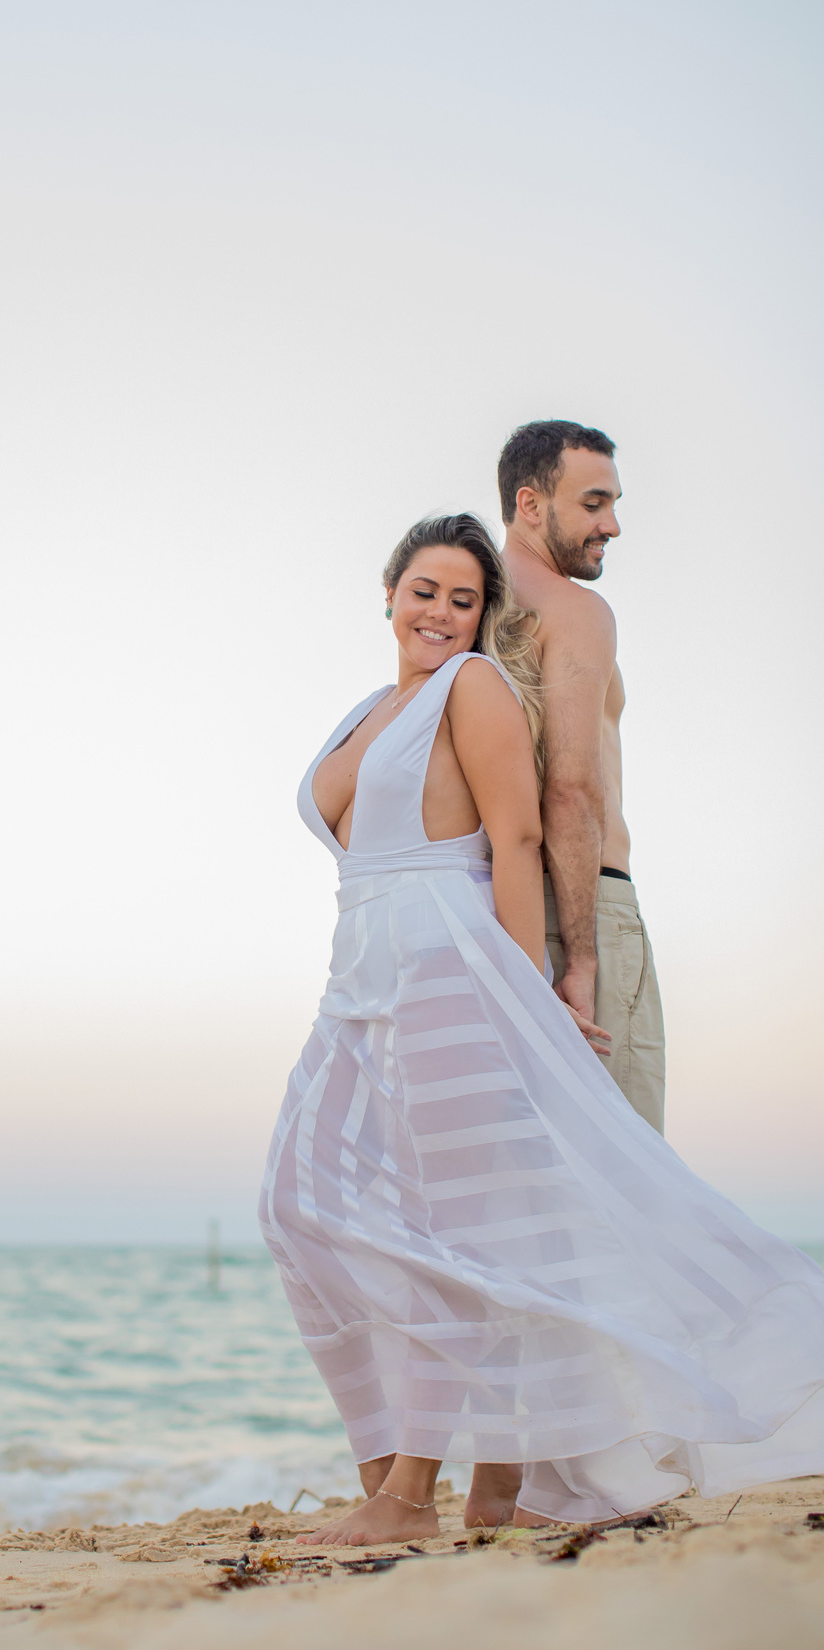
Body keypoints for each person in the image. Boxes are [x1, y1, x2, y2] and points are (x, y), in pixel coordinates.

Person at [259, 512, 824, 1546]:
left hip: (447, 974)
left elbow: (515, 841)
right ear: (388, 594)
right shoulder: (365, 711)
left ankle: (407, 1500)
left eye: (463, 600)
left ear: (482, 619)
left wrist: (530, 996)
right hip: (356, 981)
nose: (438, 612)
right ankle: (411, 1474)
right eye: (424, 590)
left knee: (455, 1236)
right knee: (296, 1203)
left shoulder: (470, 690)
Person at [499, 420, 664, 1132]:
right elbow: (572, 786)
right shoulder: (576, 612)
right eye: (594, 503)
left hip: (498, 912)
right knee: (630, 1170)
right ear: (531, 505)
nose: (614, 525)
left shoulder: (469, 610)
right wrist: (585, 962)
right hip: (584, 903)